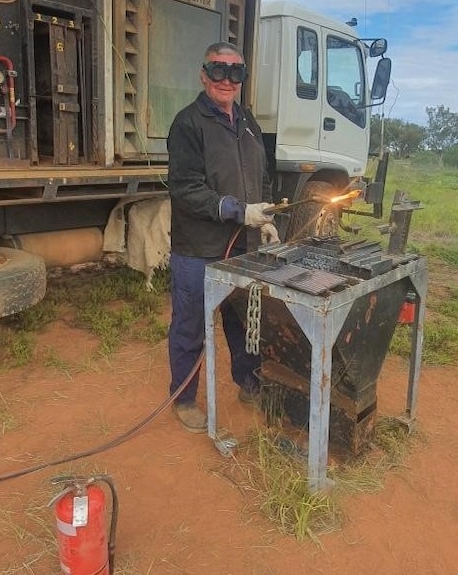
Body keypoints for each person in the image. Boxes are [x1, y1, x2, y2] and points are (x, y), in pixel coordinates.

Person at [166, 41, 279, 433]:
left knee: (245, 323)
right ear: (204, 74)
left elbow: (261, 176)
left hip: (241, 250)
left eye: (236, 72)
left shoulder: (248, 122)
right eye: (219, 70)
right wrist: (236, 210)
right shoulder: (187, 123)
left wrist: (262, 215)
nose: (227, 79)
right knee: (190, 327)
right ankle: (183, 398)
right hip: (198, 250)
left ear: (243, 78)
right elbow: (185, 188)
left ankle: (248, 384)